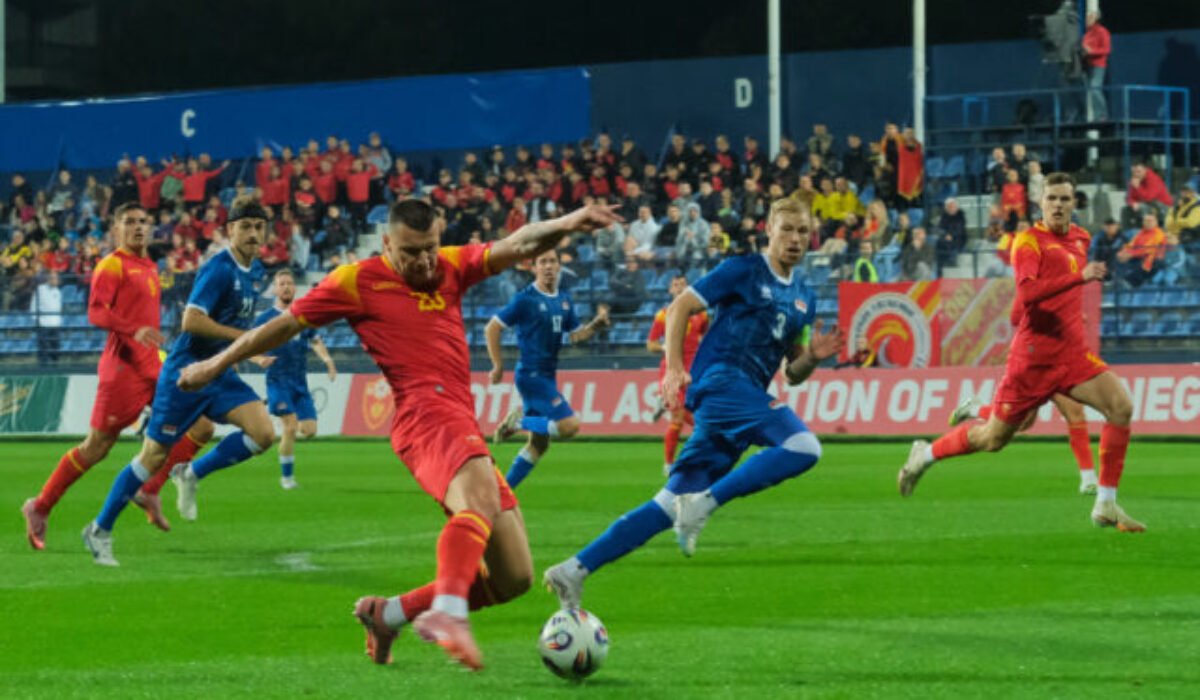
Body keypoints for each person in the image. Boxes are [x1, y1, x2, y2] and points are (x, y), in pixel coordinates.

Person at [176, 199, 620, 670]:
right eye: (411, 252)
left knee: (513, 577)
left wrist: (569, 222)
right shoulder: (356, 280)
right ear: (387, 243)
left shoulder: (450, 265)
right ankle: (448, 613)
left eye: (430, 248)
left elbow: (519, 243)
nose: (425, 260)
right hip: (424, 415)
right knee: (479, 505)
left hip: (458, 419)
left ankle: (387, 614)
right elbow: (284, 325)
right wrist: (214, 364)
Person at [543, 198, 845, 610]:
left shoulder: (805, 299)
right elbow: (681, 306)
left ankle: (573, 570)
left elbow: (792, 372)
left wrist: (812, 357)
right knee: (804, 447)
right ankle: (705, 504)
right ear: (768, 230)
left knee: (667, 505)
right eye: (787, 229)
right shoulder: (743, 270)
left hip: (742, 400)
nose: (795, 239)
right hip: (721, 383)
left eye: (803, 232)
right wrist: (672, 369)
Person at [897, 173, 1144, 532]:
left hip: (1072, 355)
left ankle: (1105, 503)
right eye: (1052, 199)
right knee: (992, 439)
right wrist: (1080, 279)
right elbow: (1027, 296)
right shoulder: (1028, 243)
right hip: (1032, 361)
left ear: (1074, 203)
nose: (1058, 205)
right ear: (1040, 203)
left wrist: (1074, 306)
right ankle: (925, 455)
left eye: (1065, 199)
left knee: (1121, 406)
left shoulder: (1081, 238)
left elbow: (1053, 295)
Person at [80, 197, 275, 567]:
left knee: (263, 432)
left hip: (218, 372)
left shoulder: (255, 272)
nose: (252, 233)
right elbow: (192, 322)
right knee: (152, 457)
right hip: (185, 373)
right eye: (245, 226)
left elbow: (237, 330)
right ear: (230, 229)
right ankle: (100, 529)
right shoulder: (218, 269)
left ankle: (191, 471)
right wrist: (244, 341)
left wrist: (248, 348)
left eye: (258, 227)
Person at [20, 204, 203, 549]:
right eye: (129, 222)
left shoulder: (149, 265)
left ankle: (150, 489)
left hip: (154, 364)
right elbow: (95, 312)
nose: (137, 227)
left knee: (201, 421)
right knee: (96, 447)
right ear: (116, 229)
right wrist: (134, 330)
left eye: (143, 222)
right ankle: (40, 506)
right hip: (123, 371)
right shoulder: (112, 264)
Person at [486, 250, 611, 488]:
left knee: (538, 445)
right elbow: (492, 327)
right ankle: (518, 423)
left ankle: (503, 493)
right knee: (569, 426)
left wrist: (596, 324)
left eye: (552, 261)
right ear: (534, 268)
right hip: (531, 375)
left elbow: (575, 337)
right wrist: (498, 365)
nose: (548, 266)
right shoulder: (526, 299)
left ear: (559, 267)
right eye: (542, 262)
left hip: (547, 377)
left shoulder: (564, 300)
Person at [253, 268, 337, 490]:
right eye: (282, 284)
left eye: (290, 283)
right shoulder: (265, 319)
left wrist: (328, 361)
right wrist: (258, 359)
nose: (287, 287)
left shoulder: (302, 315)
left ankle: (271, 404)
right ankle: (287, 478)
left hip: (300, 383)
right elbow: (246, 346)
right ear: (275, 288)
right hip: (277, 380)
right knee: (289, 426)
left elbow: (316, 341)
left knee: (309, 431)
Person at [948, 393, 1100, 494]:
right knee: (1022, 422)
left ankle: (1088, 479)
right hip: (1035, 363)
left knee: (1075, 413)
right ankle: (974, 409)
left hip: (1060, 362)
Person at [646, 273, 709, 476]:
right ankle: (668, 464)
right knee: (678, 417)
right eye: (676, 285)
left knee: (697, 417)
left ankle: (662, 402)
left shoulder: (701, 315)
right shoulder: (663, 315)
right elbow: (651, 344)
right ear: (670, 290)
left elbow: (705, 335)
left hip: (694, 369)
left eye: (683, 284)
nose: (679, 288)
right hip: (672, 368)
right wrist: (666, 346)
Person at [1116, 213, 1168, 287]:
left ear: (1156, 222)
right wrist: (1123, 252)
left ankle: (1131, 282)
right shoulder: (1141, 232)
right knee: (1117, 256)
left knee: (1145, 262)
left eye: (1151, 221)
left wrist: (1131, 254)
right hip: (1138, 256)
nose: (1148, 223)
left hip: (1154, 258)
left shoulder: (1158, 233)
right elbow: (1131, 244)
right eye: (1146, 221)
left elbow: (1148, 249)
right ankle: (1115, 280)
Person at [1081, 11, 1111, 121]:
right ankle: (1089, 116)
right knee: (1088, 91)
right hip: (1087, 66)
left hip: (1098, 65)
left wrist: (1091, 51)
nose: (1087, 20)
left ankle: (1102, 115)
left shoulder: (1102, 32)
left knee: (1095, 88)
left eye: (1090, 18)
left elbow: (1106, 49)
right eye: (1087, 18)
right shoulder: (1087, 34)